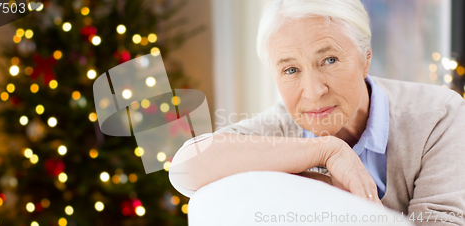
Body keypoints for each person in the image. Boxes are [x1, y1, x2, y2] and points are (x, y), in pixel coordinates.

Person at [169, 0, 465, 224]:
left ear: (365, 59)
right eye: (291, 69)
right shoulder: (280, 126)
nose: (312, 92)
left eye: (330, 60)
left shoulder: (439, 116)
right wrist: (326, 149)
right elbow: (184, 168)